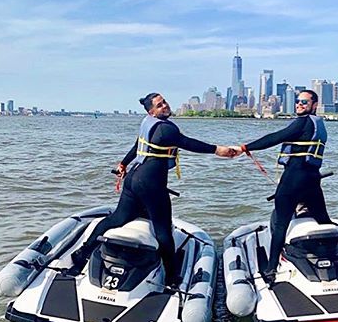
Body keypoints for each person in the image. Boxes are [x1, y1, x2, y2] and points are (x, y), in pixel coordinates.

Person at [70, 92, 236, 287]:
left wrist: (123, 163)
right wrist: (218, 150)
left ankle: (82, 253)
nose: (164, 106)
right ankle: (172, 278)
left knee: (117, 218)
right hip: (150, 183)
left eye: (164, 102)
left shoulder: (147, 122)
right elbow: (189, 143)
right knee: (163, 230)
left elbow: (138, 145)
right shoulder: (166, 129)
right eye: (159, 105)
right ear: (152, 111)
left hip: (133, 179)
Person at [234, 90, 331, 285]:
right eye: (297, 101)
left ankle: (271, 269)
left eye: (304, 101)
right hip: (312, 181)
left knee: (280, 225)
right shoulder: (318, 124)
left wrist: (245, 148)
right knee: (323, 219)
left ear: (314, 104)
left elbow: (275, 137)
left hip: (293, 180)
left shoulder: (303, 122)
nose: (299, 104)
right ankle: (331, 255)